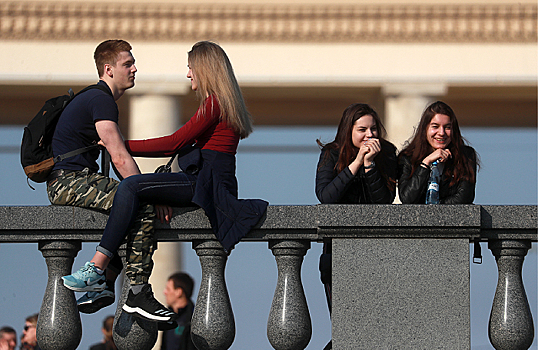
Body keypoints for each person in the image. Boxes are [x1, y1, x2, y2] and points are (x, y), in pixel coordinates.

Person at [63, 41, 268, 323]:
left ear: (205, 70)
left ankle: (98, 268)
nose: (188, 75)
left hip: (206, 183)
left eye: (191, 68)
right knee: (137, 201)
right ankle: (108, 282)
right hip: (209, 181)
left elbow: (175, 142)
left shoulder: (214, 102)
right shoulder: (221, 102)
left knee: (131, 186)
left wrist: (121, 145)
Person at [47, 39, 156, 315]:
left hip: (67, 180)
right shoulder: (101, 100)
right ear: (108, 69)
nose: (134, 69)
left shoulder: (93, 98)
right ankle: (137, 291)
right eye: (127, 64)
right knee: (140, 203)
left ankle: (105, 284)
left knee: (127, 206)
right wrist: (153, 192)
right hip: (68, 181)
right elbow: (119, 157)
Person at [315, 103, 398, 350]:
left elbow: (383, 202)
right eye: (362, 129)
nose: (369, 135)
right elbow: (326, 196)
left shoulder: (388, 153)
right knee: (345, 330)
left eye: (373, 129)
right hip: (338, 255)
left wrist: (371, 165)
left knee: (374, 331)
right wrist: (357, 162)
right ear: (348, 129)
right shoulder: (332, 153)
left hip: (376, 255)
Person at [398, 101, 478, 204]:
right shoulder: (407, 157)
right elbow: (407, 199)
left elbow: (464, 198)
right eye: (435, 127)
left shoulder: (466, 156)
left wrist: (435, 206)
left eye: (447, 127)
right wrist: (425, 163)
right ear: (425, 129)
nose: (441, 133)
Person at [161, 273, 196, 350]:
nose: (164, 292)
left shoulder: (195, 320)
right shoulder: (167, 319)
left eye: (168, 289)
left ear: (178, 292)